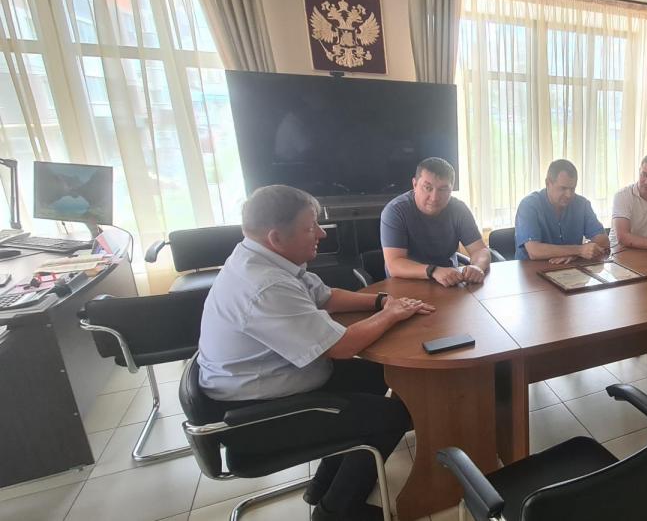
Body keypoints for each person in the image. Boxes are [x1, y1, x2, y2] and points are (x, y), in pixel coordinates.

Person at [196, 185, 435, 521]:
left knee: (383, 376)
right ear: (277, 237)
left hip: (269, 382)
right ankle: (335, 512)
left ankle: (323, 485)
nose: (322, 234)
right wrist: (392, 315)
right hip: (256, 417)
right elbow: (341, 347)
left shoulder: (260, 257)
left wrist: (383, 301)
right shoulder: (265, 285)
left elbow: (325, 296)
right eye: (311, 228)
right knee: (393, 416)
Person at [379, 157, 492, 287]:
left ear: (451, 189)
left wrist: (477, 267)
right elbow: (394, 264)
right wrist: (433, 271)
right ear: (415, 185)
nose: (434, 198)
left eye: (443, 189)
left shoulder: (458, 209)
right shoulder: (395, 211)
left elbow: (480, 250)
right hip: (406, 285)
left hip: (450, 283)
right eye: (427, 188)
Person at [514, 158, 609, 263]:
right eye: (563, 188)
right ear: (548, 183)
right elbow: (534, 251)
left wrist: (575, 255)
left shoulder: (582, 204)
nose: (569, 195)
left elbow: (604, 241)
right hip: (532, 269)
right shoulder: (529, 205)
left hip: (570, 268)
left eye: (572, 189)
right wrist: (579, 250)